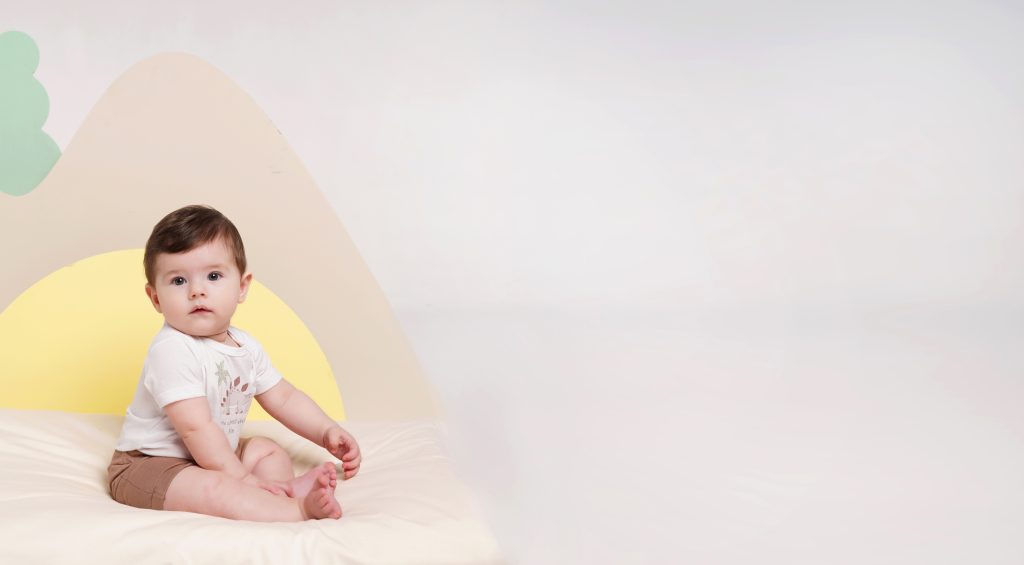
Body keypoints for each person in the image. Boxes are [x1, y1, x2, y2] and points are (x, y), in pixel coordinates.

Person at [107, 204, 361, 521]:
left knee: (267, 450)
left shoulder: (246, 346)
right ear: (156, 298)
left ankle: (278, 490)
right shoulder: (171, 349)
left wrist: (326, 431)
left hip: (215, 453)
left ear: (242, 287)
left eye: (213, 276)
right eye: (178, 281)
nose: (197, 291)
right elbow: (195, 427)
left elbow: (284, 398)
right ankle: (293, 510)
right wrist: (240, 478)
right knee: (214, 487)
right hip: (151, 464)